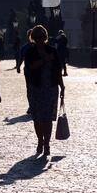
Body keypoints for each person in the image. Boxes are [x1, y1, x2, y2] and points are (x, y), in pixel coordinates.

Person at [25, 25, 65, 157]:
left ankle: (46, 143)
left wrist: (62, 85)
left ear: (45, 37)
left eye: (41, 37)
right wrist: (44, 60)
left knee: (47, 118)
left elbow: (58, 70)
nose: (39, 39)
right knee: (37, 118)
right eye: (36, 37)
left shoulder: (52, 50)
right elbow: (30, 67)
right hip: (35, 88)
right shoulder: (30, 52)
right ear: (33, 38)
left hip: (50, 88)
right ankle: (40, 140)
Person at [17, 29, 34, 114]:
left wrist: (18, 66)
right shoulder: (26, 47)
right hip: (29, 71)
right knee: (31, 88)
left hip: (29, 70)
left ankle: (32, 105)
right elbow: (21, 58)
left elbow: (21, 58)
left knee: (30, 89)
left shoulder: (25, 47)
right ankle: (32, 105)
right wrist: (19, 66)